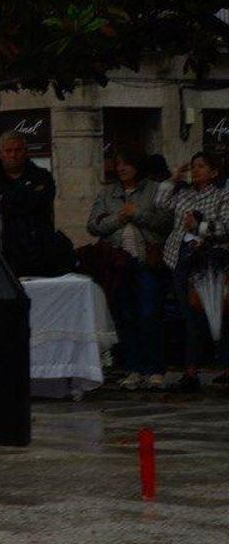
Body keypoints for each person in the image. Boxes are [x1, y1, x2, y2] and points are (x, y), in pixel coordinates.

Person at [87, 148, 171, 389]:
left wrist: (138, 214)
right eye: (118, 164)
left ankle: (154, 370)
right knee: (125, 316)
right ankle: (134, 368)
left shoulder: (154, 190)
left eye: (127, 163)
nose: (122, 168)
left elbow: (166, 222)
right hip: (118, 263)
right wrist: (120, 218)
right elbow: (94, 225)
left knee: (149, 314)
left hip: (147, 261)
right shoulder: (108, 193)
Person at [160, 152, 229, 392]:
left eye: (202, 166)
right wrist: (174, 179)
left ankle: (225, 365)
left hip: (210, 259)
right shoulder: (184, 194)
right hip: (181, 257)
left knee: (219, 312)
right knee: (189, 315)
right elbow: (161, 203)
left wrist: (199, 226)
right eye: (194, 166)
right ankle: (190, 371)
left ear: (214, 172)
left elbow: (225, 227)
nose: (196, 171)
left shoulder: (221, 196)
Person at [0, 132, 65, 276]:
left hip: (36, 254)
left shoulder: (41, 177)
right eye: (8, 151)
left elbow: (39, 203)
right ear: (1, 154)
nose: (13, 155)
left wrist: (7, 199)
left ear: (25, 152)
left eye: (18, 150)